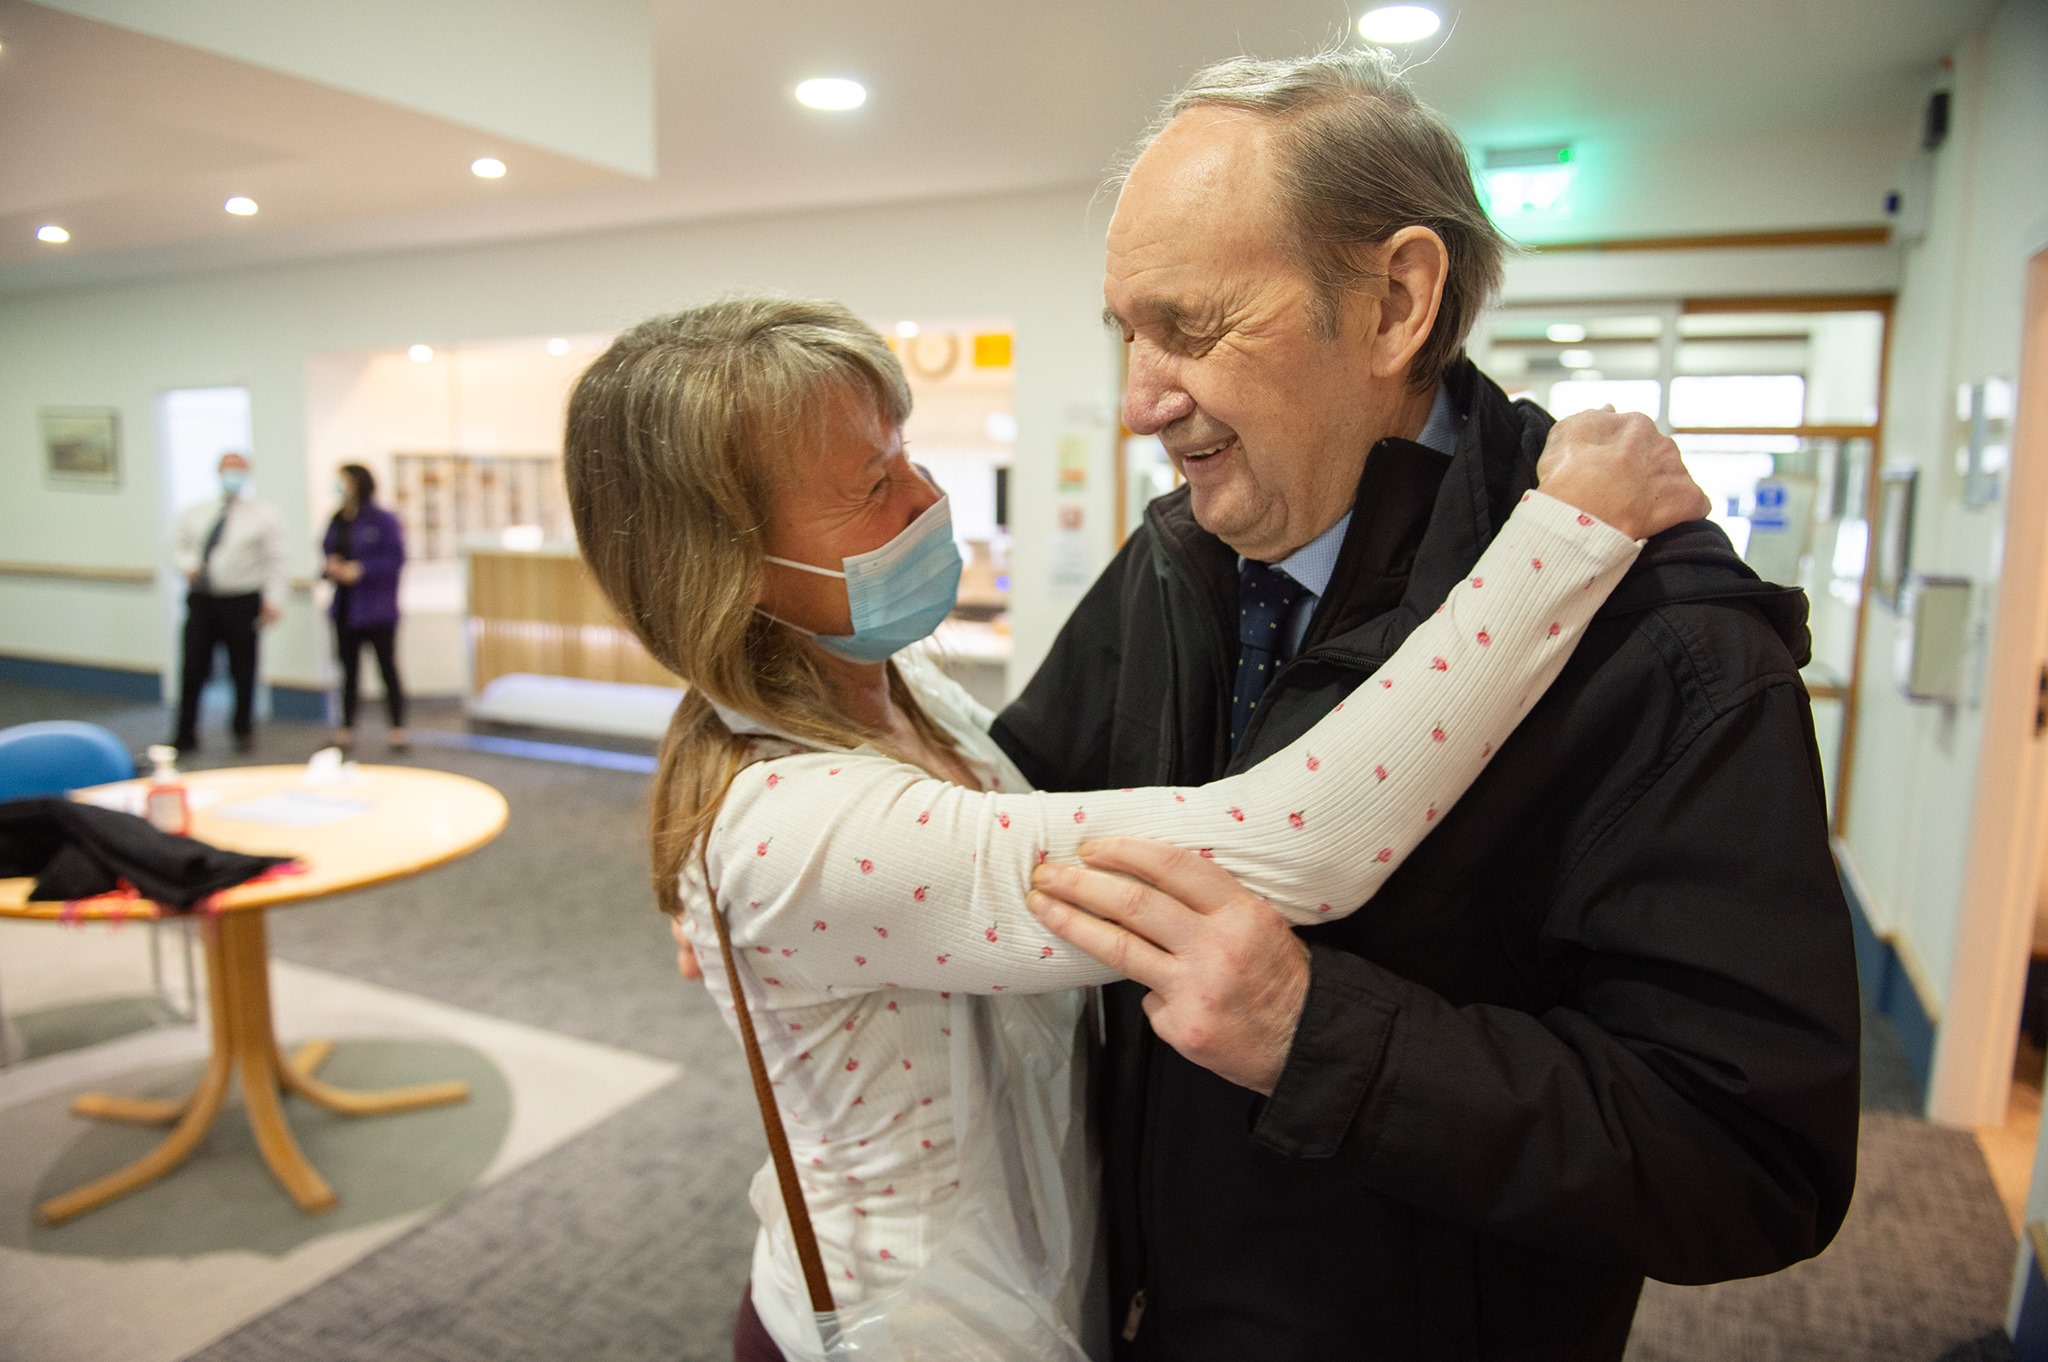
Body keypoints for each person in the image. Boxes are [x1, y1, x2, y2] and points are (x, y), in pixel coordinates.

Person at [562, 296, 1706, 1362]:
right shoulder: (789, 828)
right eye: (870, 485)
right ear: (726, 566)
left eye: (906, 452)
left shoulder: (904, 697)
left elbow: (989, 844)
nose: (925, 499)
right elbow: (1289, 842)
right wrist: (1563, 540)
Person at [1007, 49, 1862, 1360]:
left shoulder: (1668, 647)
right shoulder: (1171, 565)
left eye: (1190, 326)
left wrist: (1321, 1036)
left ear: (1401, 299)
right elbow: (1020, 810)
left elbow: (1750, 1158)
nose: (1137, 399)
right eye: (1127, 329)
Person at [170, 451, 287, 755]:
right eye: (228, 470)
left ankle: (242, 730)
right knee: (193, 668)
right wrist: (187, 565)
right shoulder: (196, 512)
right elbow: (177, 546)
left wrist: (274, 599)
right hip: (203, 600)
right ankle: (185, 734)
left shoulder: (264, 514)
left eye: (239, 470)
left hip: (242, 600)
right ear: (218, 472)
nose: (233, 476)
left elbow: (276, 561)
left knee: (243, 670)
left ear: (248, 474)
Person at [322, 463, 409, 752]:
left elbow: (395, 560)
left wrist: (361, 570)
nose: (339, 487)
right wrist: (331, 567)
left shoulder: (382, 520)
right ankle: (346, 727)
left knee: (387, 669)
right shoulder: (337, 520)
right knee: (348, 671)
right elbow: (326, 552)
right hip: (345, 608)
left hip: (377, 609)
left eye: (343, 481)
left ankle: (397, 728)